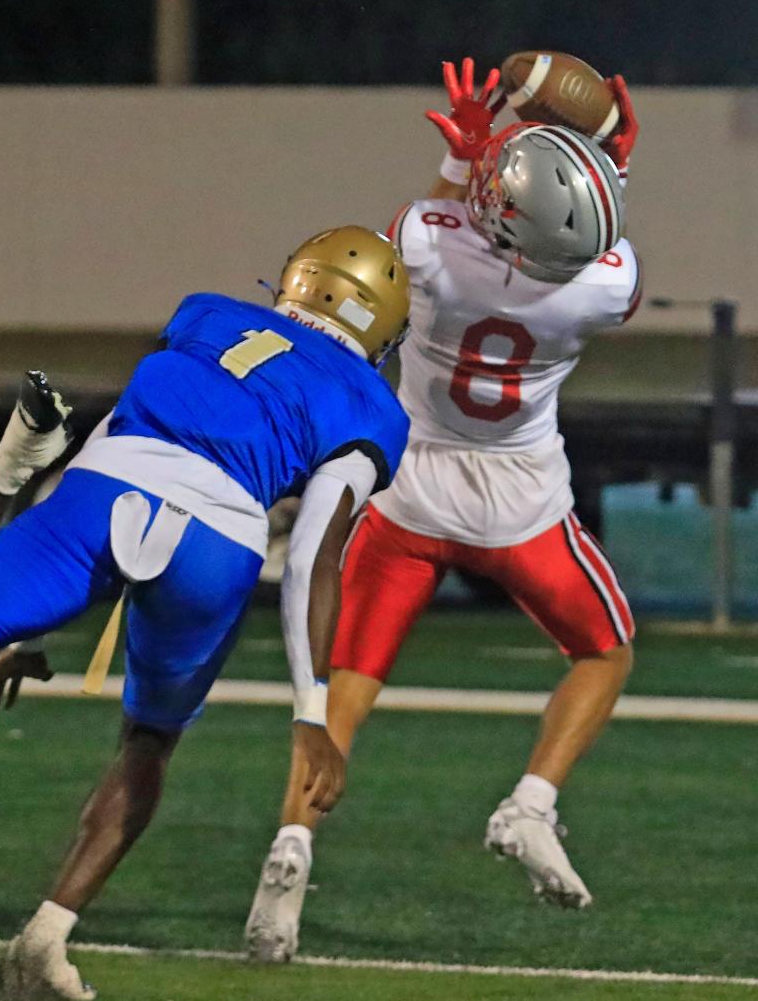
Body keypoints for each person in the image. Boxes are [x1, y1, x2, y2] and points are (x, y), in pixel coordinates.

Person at [0, 225, 411, 1001]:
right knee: (149, 737)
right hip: (221, 534)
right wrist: (310, 710)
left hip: (103, 481)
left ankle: (5, 467)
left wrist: (34, 617)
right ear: (382, 326)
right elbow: (314, 555)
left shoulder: (209, 315)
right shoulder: (371, 405)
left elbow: (117, 430)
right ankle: (44, 940)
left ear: (296, 280)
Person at [245, 60, 641, 962]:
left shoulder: (430, 242)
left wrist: (466, 160)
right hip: (520, 500)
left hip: (410, 483)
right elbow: (586, 228)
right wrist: (608, 159)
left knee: (341, 693)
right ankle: (530, 803)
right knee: (605, 650)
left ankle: (291, 847)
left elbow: (432, 226)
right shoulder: (601, 288)